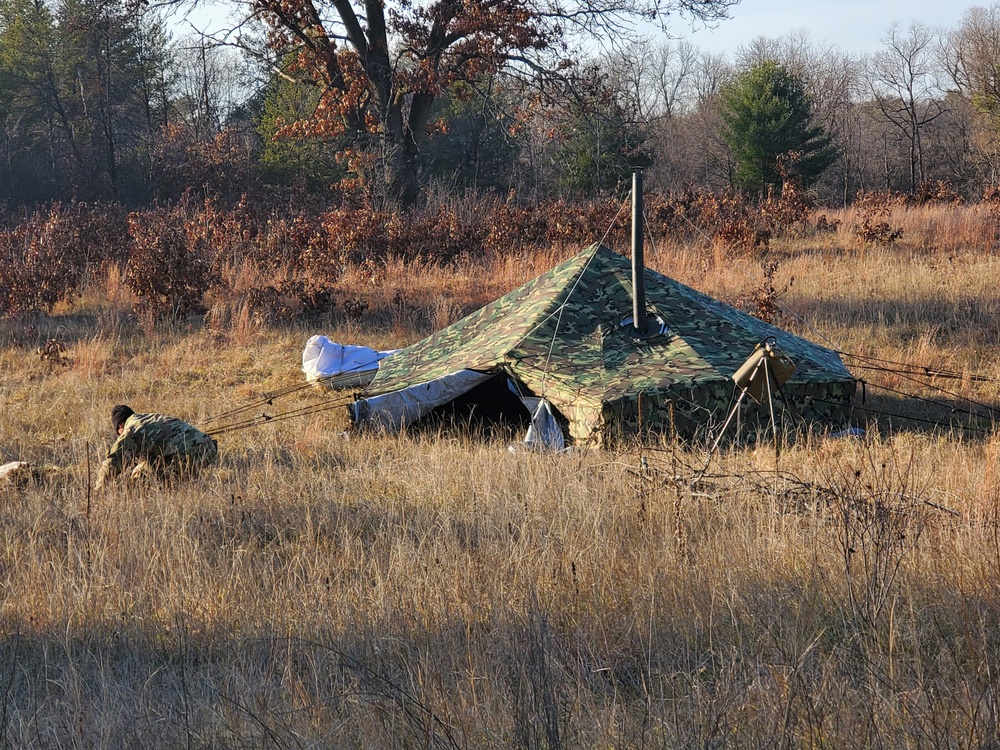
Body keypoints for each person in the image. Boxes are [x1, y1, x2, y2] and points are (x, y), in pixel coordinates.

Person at [95, 405, 218, 489]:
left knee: (139, 474)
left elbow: (114, 461)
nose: (119, 435)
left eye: (118, 433)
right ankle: (197, 487)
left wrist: (99, 490)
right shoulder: (149, 418)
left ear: (120, 425)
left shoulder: (131, 429)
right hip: (209, 448)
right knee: (163, 466)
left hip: (188, 454)